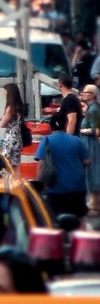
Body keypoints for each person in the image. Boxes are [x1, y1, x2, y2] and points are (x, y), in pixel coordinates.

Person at [35, 112, 91, 219]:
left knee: (54, 220)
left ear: (50, 125)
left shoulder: (46, 141)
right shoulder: (76, 140)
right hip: (77, 187)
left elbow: (41, 165)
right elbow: (88, 161)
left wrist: (39, 185)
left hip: (55, 188)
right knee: (79, 219)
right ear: (66, 124)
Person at [80, 84, 100, 218]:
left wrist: (82, 130)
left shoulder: (93, 110)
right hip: (88, 144)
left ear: (93, 94)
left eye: (86, 92)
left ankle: (95, 205)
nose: (84, 94)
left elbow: (96, 130)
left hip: (91, 145)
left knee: (92, 173)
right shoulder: (91, 109)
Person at [0, 83, 24, 168]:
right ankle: (16, 180)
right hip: (17, 137)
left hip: (10, 139)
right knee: (15, 165)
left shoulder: (10, 108)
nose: (4, 94)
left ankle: (8, 180)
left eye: (5, 92)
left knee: (6, 164)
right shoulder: (19, 107)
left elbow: (2, 124)